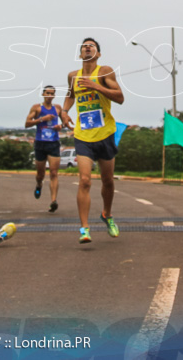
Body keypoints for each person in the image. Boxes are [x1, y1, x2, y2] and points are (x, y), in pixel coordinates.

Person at [62, 37, 123, 244]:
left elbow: (120, 97)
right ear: (80, 54)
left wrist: (95, 86)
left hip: (105, 133)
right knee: (85, 180)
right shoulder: (73, 76)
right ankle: (85, 229)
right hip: (83, 135)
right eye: (84, 46)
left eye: (92, 46)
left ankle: (107, 214)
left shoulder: (105, 71)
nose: (87, 48)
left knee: (107, 181)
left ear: (97, 54)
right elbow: (70, 95)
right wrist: (64, 111)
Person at [26, 85, 66, 213]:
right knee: (40, 174)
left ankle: (53, 201)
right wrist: (42, 119)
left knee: (54, 173)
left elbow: (65, 122)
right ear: (43, 94)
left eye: (52, 93)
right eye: (47, 93)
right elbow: (27, 124)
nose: (49, 95)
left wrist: (61, 126)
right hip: (40, 144)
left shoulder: (58, 108)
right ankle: (39, 185)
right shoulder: (37, 108)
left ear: (54, 95)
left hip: (53, 143)